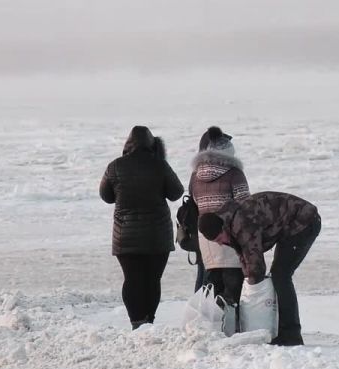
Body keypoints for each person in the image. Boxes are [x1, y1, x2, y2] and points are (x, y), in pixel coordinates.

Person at [197, 192, 322, 346]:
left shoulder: (242, 223)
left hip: (304, 221)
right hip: (289, 226)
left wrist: (252, 289)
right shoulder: (227, 221)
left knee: (281, 275)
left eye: (219, 239)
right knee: (277, 275)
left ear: (222, 228)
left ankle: (291, 335)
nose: (221, 244)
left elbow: (255, 262)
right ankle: (280, 329)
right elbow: (244, 253)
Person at [100, 126, 184, 329]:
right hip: (157, 235)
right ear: (152, 144)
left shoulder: (115, 166)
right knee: (152, 280)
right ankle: (149, 320)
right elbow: (176, 192)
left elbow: (106, 196)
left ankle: (136, 322)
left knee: (132, 279)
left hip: (125, 235)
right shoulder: (159, 165)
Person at [189, 126, 250, 304]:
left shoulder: (195, 176)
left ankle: (212, 325)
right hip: (230, 237)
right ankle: (232, 325)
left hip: (207, 238)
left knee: (212, 288)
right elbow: (245, 206)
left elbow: (194, 201)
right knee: (233, 289)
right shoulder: (235, 174)